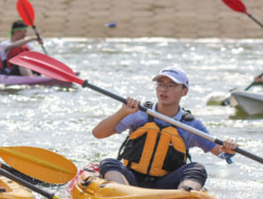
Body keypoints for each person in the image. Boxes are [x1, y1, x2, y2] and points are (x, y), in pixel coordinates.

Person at [92, 66, 237, 191]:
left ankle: (184, 197)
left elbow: (221, 153)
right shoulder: (139, 113)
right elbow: (98, 134)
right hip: (131, 179)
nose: (164, 90)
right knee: (109, 163)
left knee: (197, 168)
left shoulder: (191, 125)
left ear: (184, 91)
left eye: (171, 85)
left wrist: (228, 149)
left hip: (167, 184)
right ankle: (122, 193)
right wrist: (122, 111)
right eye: (160, 84)